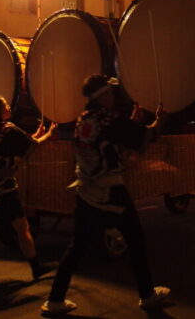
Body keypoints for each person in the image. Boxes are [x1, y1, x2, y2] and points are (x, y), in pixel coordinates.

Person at [41, 75, 170, 317]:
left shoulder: (83, 119)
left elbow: (111, 137)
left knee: (77, 246)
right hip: (111, 191)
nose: (113, 97)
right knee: (136, 240)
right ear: (102, 96)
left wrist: (130, 124)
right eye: (109, 94)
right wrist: (159, 122)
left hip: (85, 191)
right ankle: (147, 295)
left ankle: (55, 299)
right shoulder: (109, 118)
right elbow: (143, 138)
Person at [0, 95, 57, 287]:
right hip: (5, 188)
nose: (8, 107)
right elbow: (31, 146)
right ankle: (36, 266)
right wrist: (49, 133)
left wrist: (36, 133)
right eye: (5, 105)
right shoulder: (8, 129)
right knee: (22, 227)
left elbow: (21, 142)